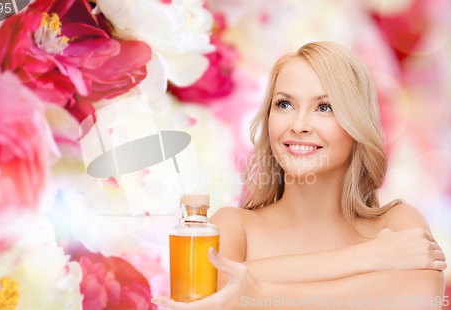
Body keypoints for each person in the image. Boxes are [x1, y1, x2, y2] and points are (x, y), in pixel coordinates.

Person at [152, 41, 447, 309]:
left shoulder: (397, 223)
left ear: (357, 124)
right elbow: (210, 293)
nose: (299, 124)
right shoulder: (232, 226)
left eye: (324, 107)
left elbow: (421, 296)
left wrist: (258, 295)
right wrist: (369, 258)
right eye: (285, 104)